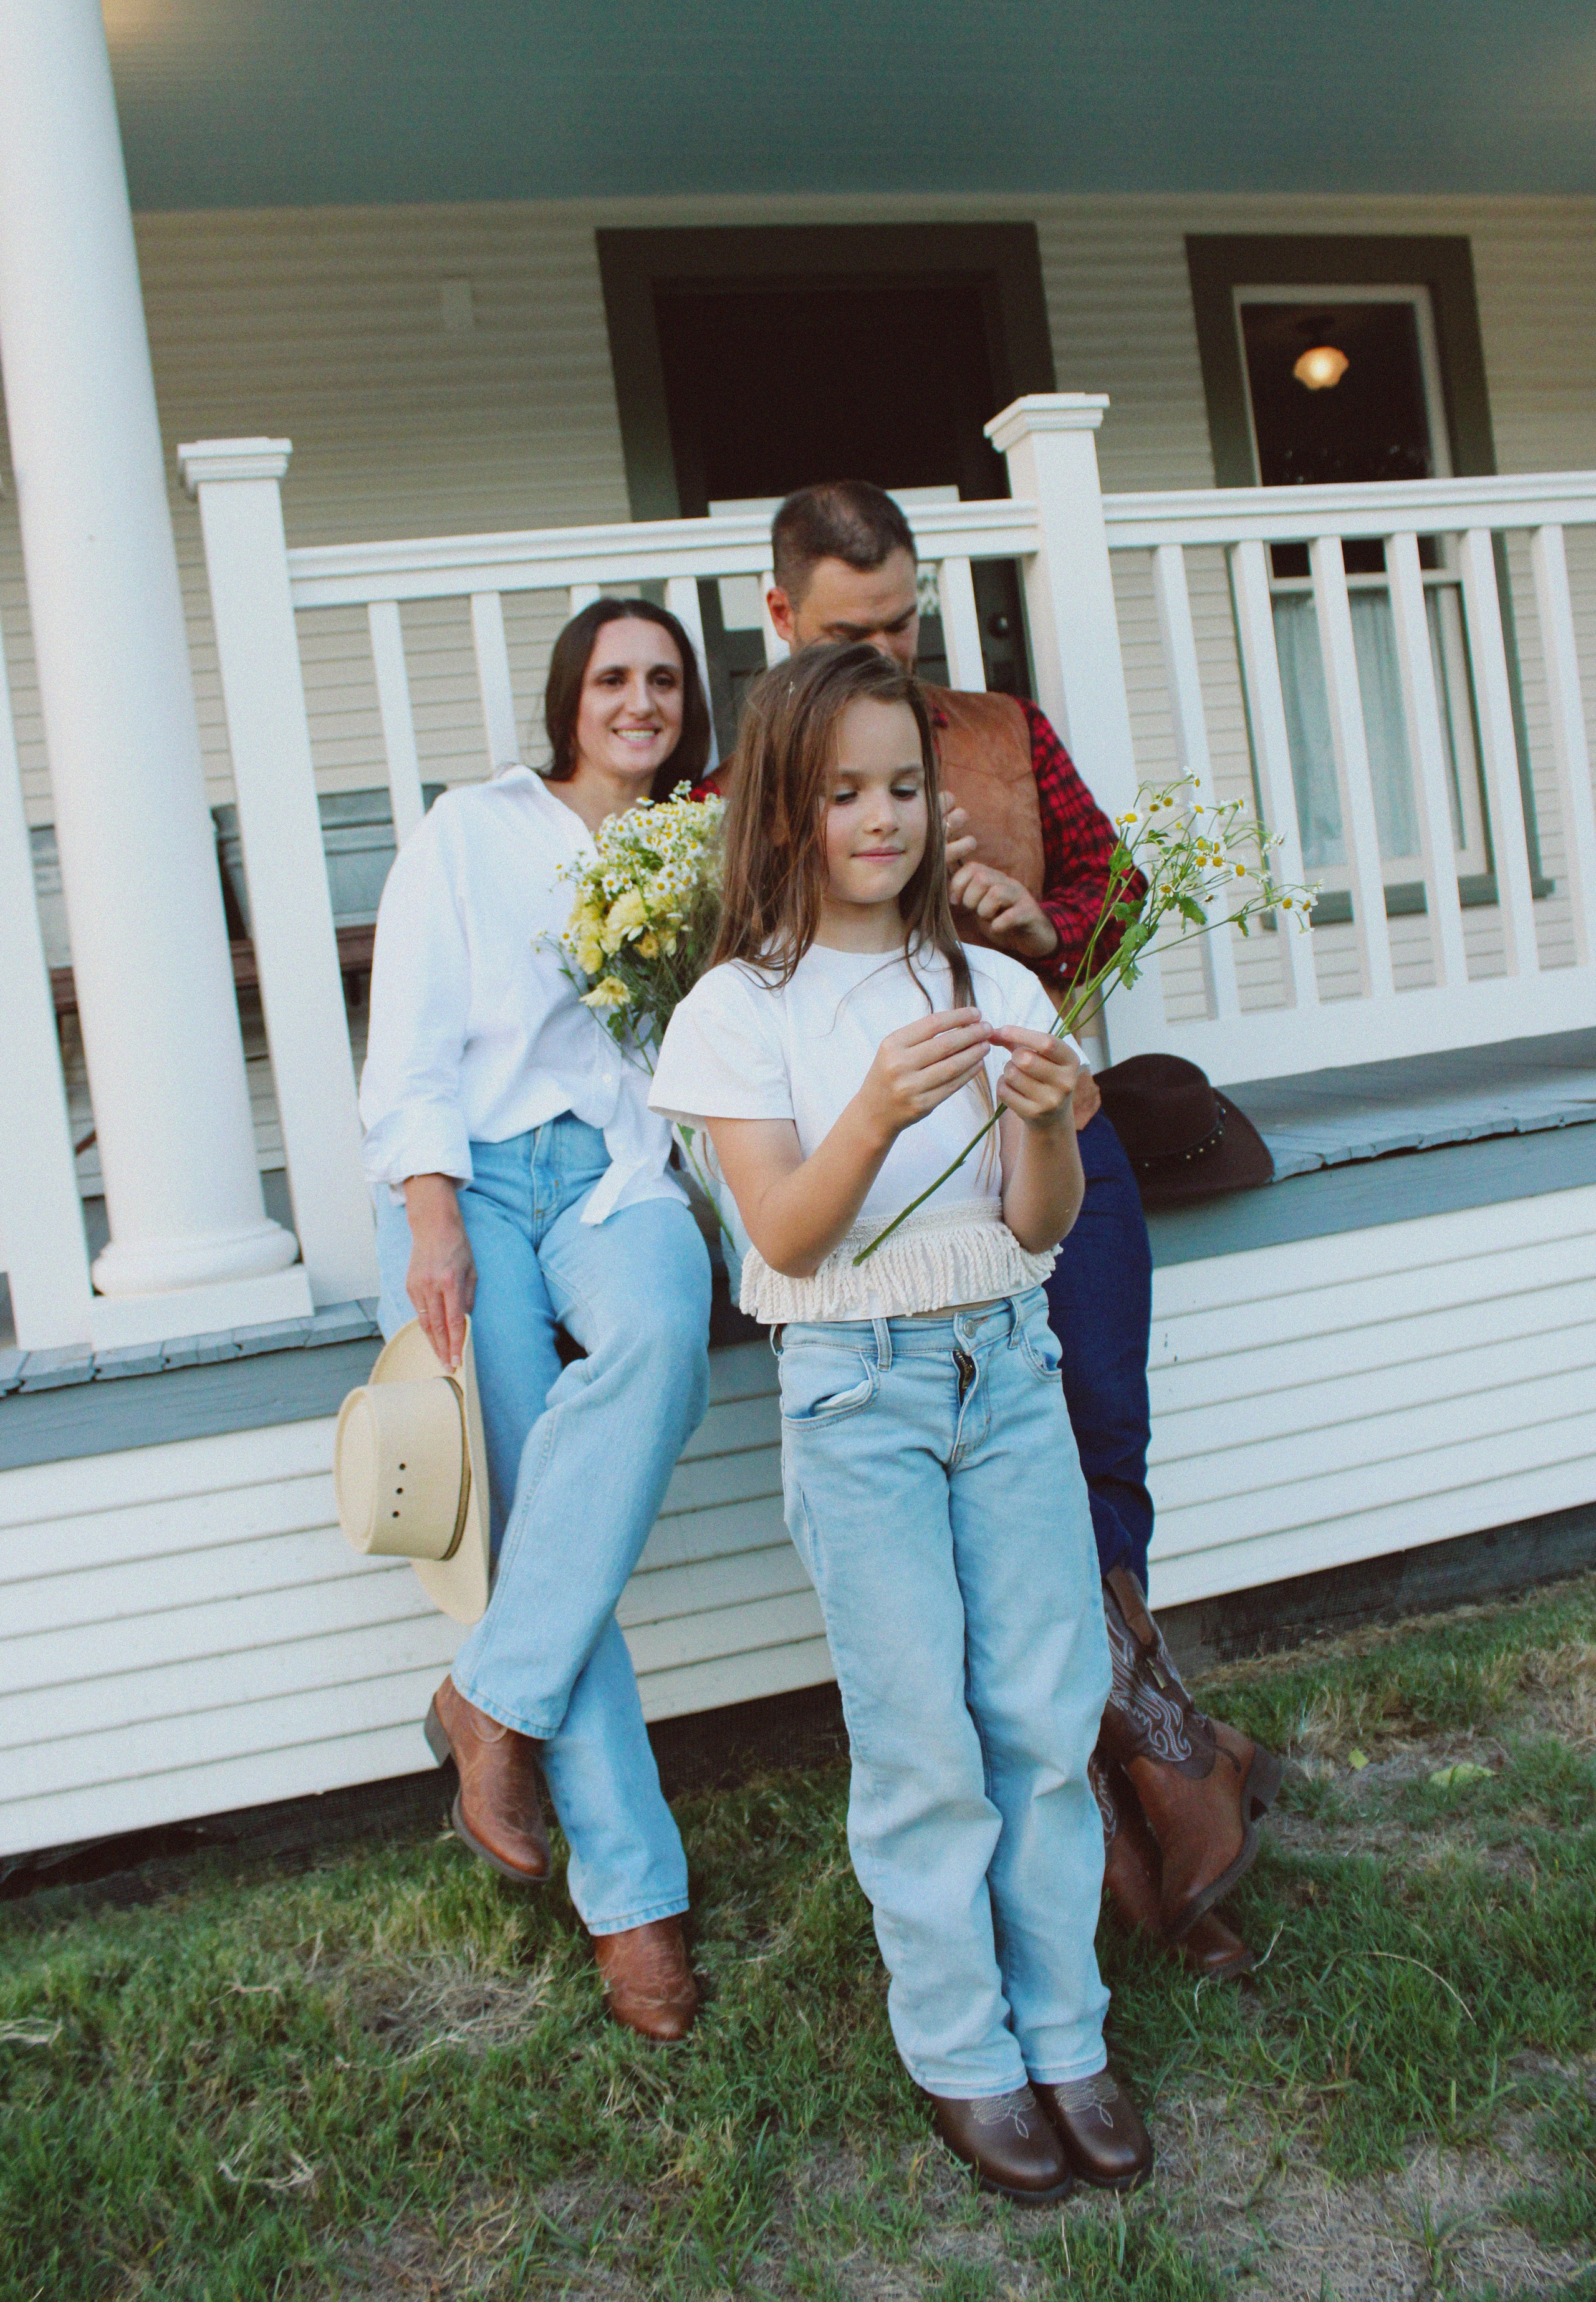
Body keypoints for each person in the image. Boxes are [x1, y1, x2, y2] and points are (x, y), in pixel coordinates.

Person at [758, 482, 1280, 1980]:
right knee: (995, 1512)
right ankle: (1146, 1785)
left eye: (903, 621)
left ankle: (1153, 1769)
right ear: (782, 619)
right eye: (851, 629)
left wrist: (1044, 934)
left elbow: (1116, 895)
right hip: (891, 1215)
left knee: (1098, 1437)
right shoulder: (755, 783)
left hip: (1058, 1140)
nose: (889, 653)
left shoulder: (998, 732)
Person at [652, 642, 1152, 2204]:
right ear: (785, 813)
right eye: (845, 792)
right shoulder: (742, 1011)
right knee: (924, 1740)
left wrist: (1045, 1123)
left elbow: (1034, 1223)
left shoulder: (991, 982)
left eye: (904, 788)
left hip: (1004, 1375)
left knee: (1041, 1712)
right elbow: (785, 1241)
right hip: (856, 1396)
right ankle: (961, 2047)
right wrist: (870, 1107)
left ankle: (1066, 2029)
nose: (882, 819)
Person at [360, 598, 715, 2040]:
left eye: (665, 681)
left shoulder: (701, 851)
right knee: (536, 1507)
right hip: (488, 1184)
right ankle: (634, 1909)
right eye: (615, 678)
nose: (638, 701)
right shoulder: (474, 830)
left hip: (623, 1176)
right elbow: (412, 1038)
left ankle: (488, 1700)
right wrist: (432, 1215)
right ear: (571, 696)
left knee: (657, 1348)